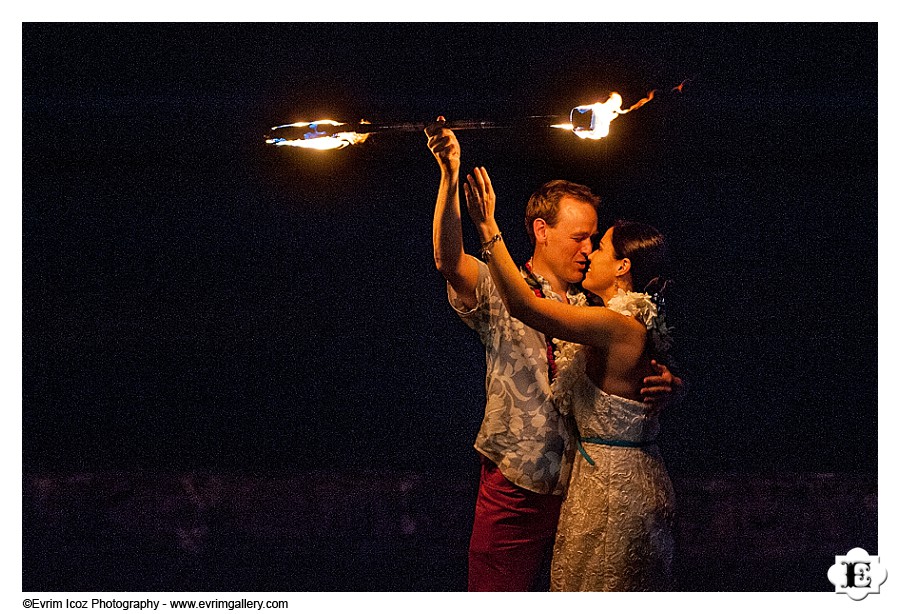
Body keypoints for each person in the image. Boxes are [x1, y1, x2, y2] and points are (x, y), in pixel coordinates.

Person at [426, 121, 681, 591]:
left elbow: (633, 361)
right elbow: (447, 259)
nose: (587, 249)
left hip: (581, 487)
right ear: (542, 231)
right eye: (579, 236)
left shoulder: (595, 307)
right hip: (517, 485)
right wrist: (449, 174)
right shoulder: (499, 284)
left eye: (593, 240)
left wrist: (670, 382)